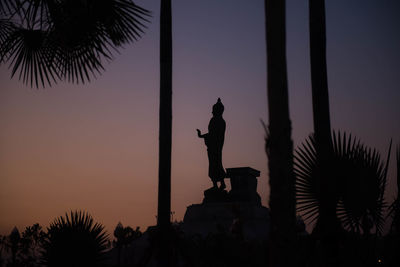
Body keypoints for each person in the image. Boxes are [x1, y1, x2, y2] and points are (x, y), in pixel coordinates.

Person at [197, 98, 226, 189]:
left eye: (213, 110)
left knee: (215, 163)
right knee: (214, 163)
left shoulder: (219, 121)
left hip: (216, 146)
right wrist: (202, 136)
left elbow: (214, 134)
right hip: (213, 146)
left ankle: (219, 183)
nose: (212, 112)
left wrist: (202, 136)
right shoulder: (215, 120)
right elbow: (211, 133)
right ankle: (216, 184)